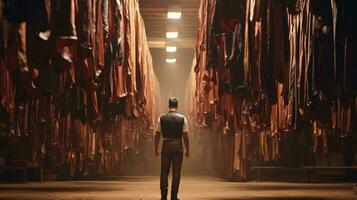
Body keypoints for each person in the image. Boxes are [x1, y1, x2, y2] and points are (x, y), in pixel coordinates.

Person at [155, 97, 190, 200]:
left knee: (164, 171)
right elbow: (185, 136)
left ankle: (163, 196)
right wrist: (187, 149)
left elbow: (157, 134)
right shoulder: (182, 118)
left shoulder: (161, 118)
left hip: (166, 145)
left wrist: (155, 148)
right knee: (176, 172)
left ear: (168, 105)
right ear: (177, 105)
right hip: (178, 145)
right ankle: (174, 196)